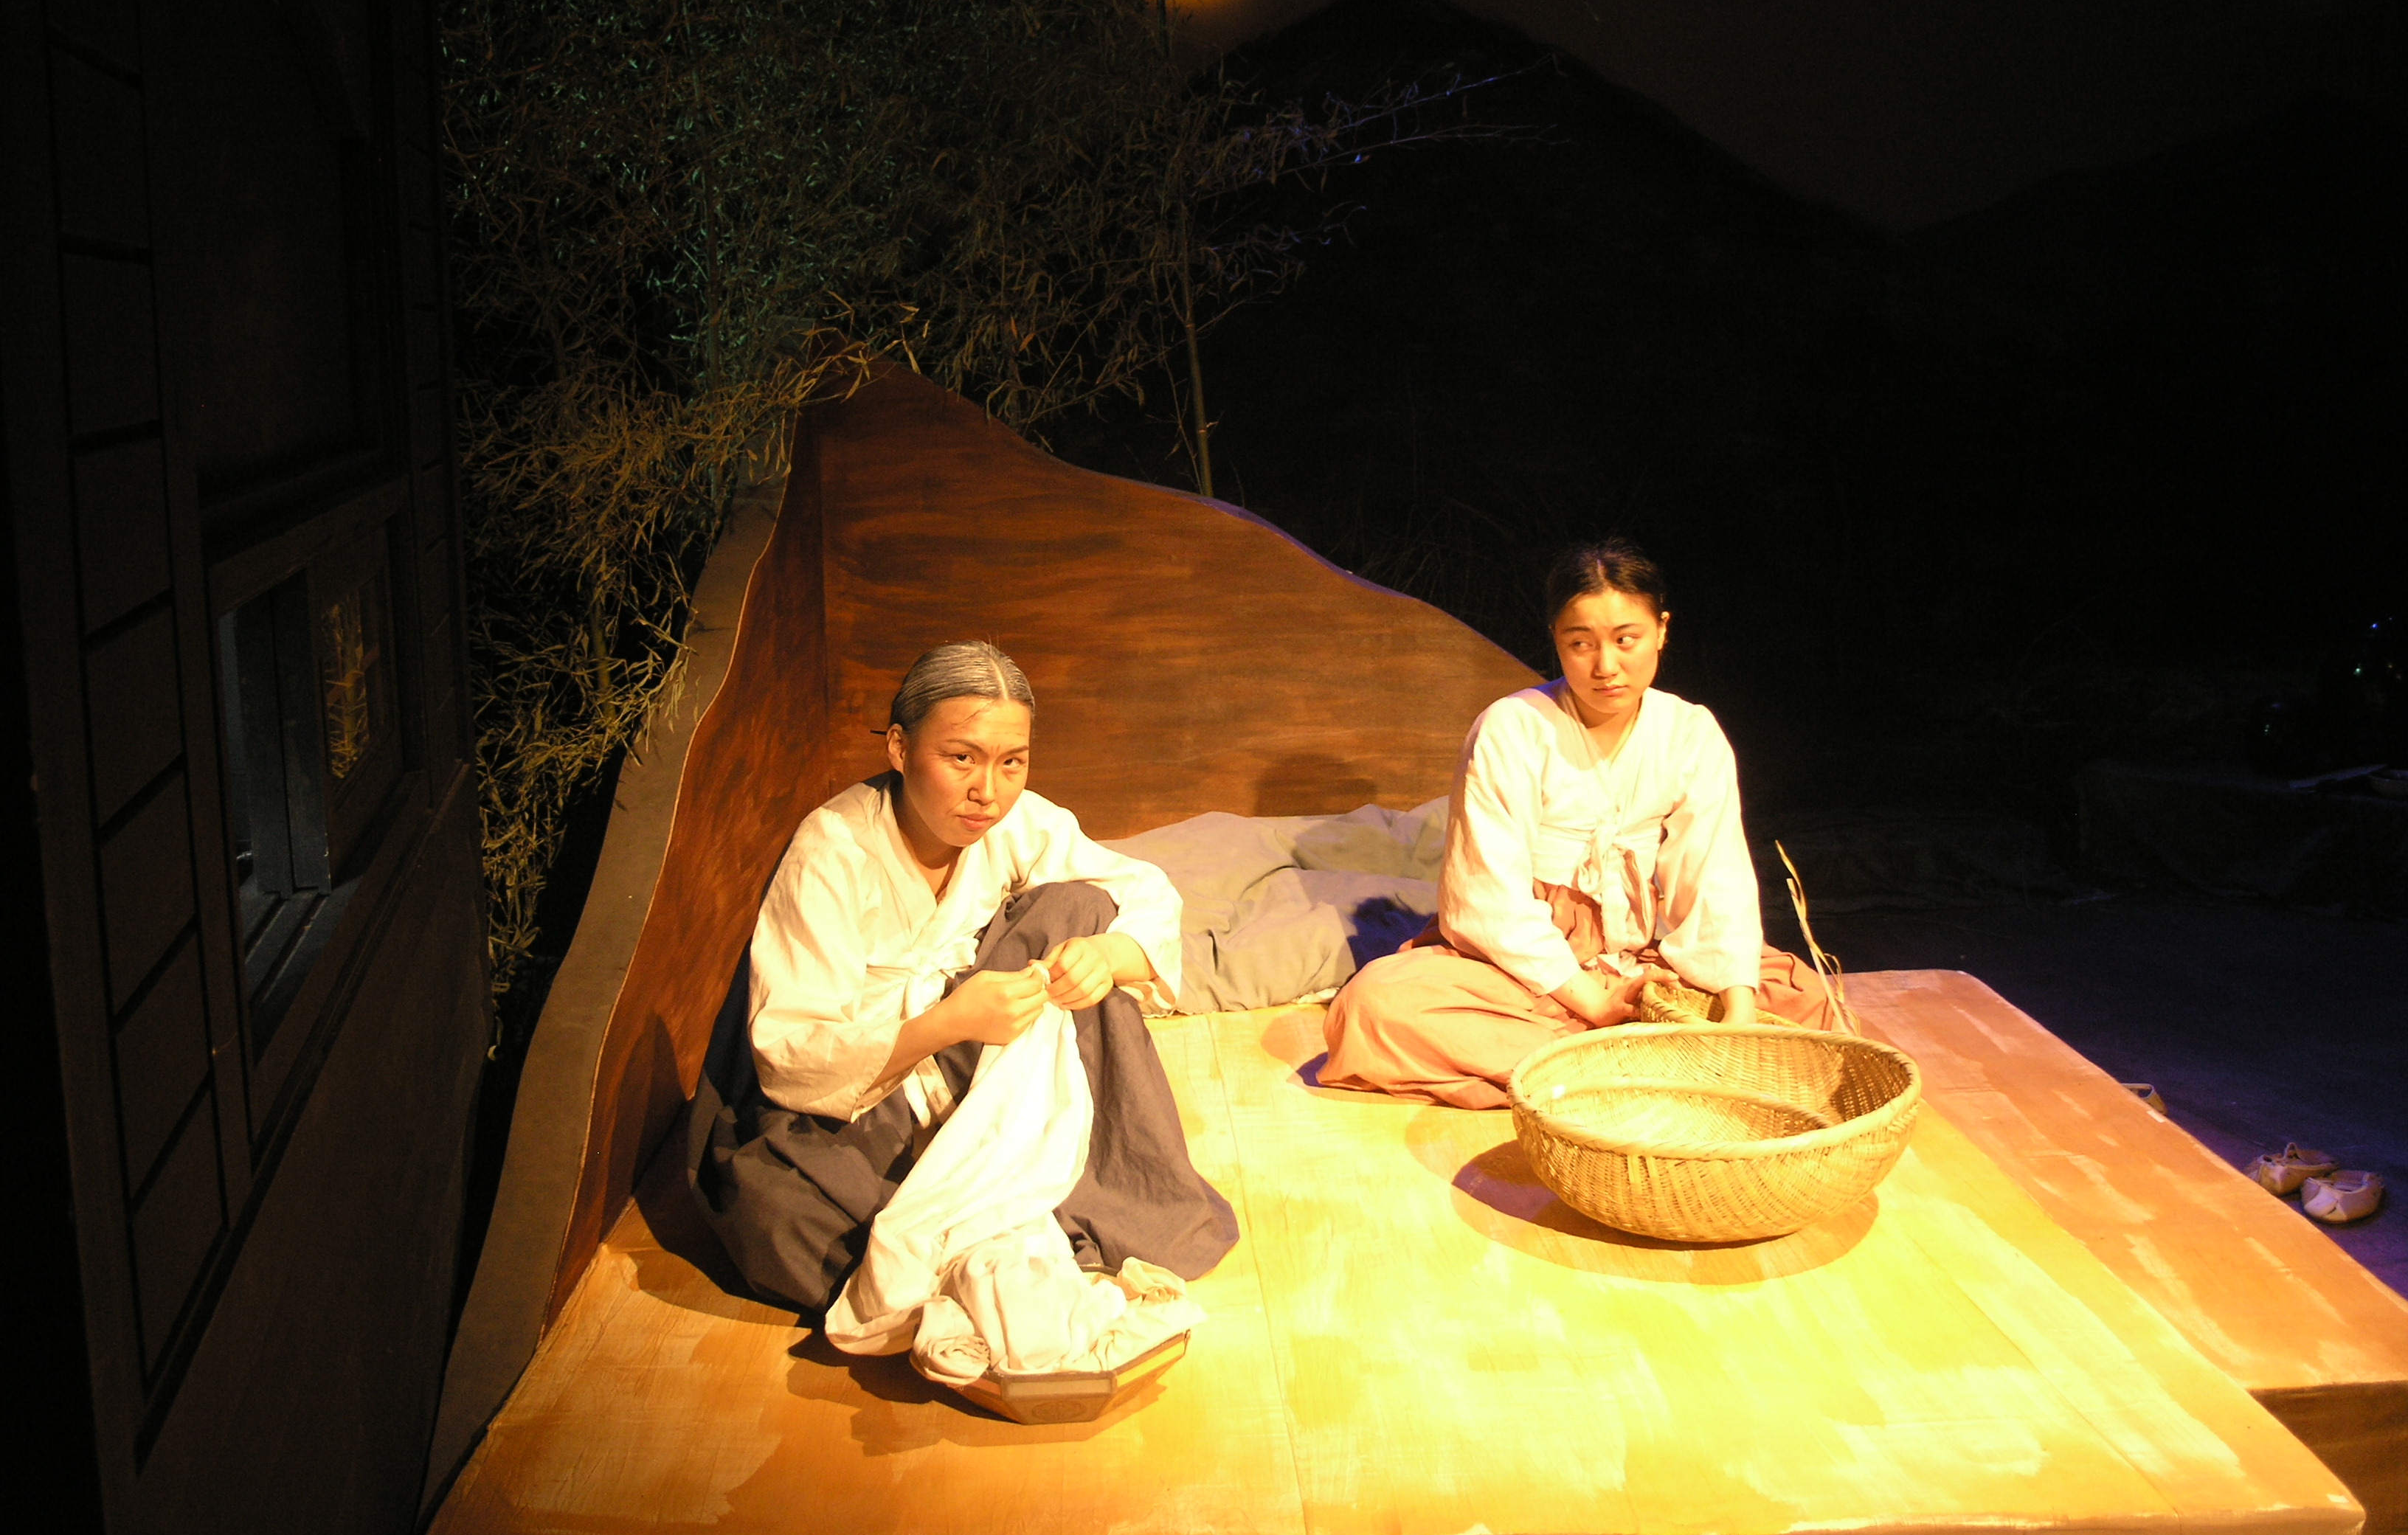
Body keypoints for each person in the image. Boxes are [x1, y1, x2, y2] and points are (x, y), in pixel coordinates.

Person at [688, 640, 1237, 1321]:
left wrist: (1106, 955)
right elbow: (794, 1055)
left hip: (991, 1076)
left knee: (1079, 908)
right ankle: (1011, 1222)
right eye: (961, 758)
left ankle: (1078, 1193)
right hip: (874, 1097)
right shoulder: (832, 851)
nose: (988, 791)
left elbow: (1144, 893)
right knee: (776, 1212)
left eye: (1012, 762)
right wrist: (949, 1023)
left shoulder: (1016, 821)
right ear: (899, 748)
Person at [1321, 540, 1835, 1109]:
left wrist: (1737, 1015)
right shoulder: (1513, 728)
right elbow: (1486, 898)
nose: (1605, 666)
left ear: (1661, 631)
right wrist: (1594, 1002)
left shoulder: (1689, 732)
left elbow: (1715, 877)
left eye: (1626, 639)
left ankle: (1605, 1064)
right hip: (1521, 973)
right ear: (1557, 640)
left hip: (1642, 962)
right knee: (1373, 1007)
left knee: (1809, 1005)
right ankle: (1634, 1063)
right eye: (1581, 643)